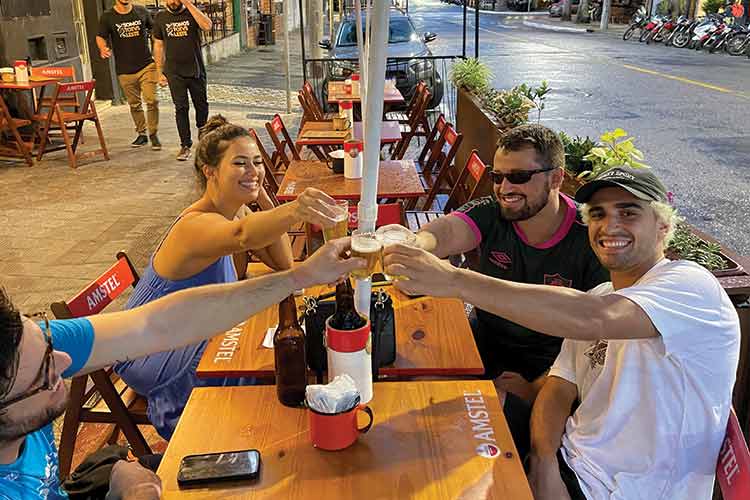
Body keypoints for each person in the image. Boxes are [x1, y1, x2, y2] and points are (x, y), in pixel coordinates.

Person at [384, 166, 740, 499]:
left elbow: (595, 318)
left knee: (432, 475)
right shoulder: (601, 294)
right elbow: (558, 387)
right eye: (598, 214)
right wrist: (543, 461)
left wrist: (454, 281)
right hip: (567, 458)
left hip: (619, 489)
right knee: (430, 417)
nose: (610, 224)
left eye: (629, 212)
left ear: (662, 226)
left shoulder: (690, 284)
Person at [0, 238, 362, 499]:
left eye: (48, 342)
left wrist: (299, 276)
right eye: (44, 374)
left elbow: (157, 324)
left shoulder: (18, 349)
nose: (64, 364)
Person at [110, 115, 340, 440]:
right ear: (210, 171)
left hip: (192, 332)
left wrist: (261, 197)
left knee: (277, 359)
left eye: (258, 163)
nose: (254, 170)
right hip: (154, 351)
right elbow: (244, 236)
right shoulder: (194, 226)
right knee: (260, 382)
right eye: (241, 164)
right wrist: (294, 210)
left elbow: (283, 263)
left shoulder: (238, 211)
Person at [412, 124, 608, 403]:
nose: (504, 188)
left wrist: (536, 389)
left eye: (518, 177)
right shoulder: (492, 212)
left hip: (550, 368)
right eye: (497, 176)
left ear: (555, 178)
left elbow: (593, 342)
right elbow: (446, 232)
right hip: (484, 340)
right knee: (418, 383)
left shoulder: (590, 236)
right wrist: (415, 244)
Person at [96, 0, 161, 150]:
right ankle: (142, 134)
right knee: (134, 104)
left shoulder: (141, 11)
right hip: (124, 70)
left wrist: (159, 47)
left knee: (152, 100)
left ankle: (153, 133)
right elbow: (100, 36)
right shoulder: (107, 16)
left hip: (146, 65)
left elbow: (155, 31)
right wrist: (102, 48)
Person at [153, 0, 212, 161]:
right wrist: (159, 71)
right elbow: (158, 45)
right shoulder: (160, 17)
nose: (173, 2)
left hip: (195, 70)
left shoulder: (192, 13)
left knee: (201, 104)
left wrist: (189, 4)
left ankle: (202, 130)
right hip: (174, 72)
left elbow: (207, 26)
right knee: (181, 108)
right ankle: (185, 145)